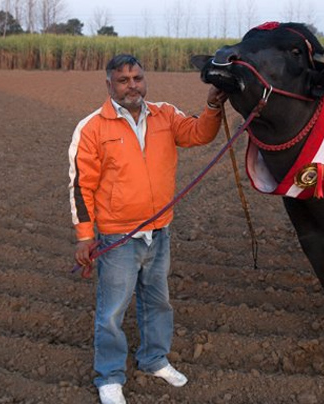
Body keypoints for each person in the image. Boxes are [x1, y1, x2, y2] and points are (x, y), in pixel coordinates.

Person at [68, 54, 226, 404]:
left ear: (145, 79)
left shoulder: (165, 115)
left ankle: (154, 359)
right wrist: (84, 236)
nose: (132, 86)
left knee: (158, 301)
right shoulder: (93, 127)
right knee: (112, 311)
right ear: (109, 84)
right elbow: (82, 187)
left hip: (160, 231)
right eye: (123, 80)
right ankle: (109, 375)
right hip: (118, 236)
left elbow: (199, 134)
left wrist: (213, 107)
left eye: (137, 78)